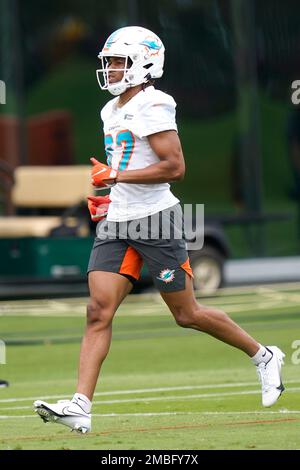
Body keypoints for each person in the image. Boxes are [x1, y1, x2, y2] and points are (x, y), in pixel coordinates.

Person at [34, 26, 285, 434]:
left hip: (156, 220)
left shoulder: (155, 104)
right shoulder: (110, 109)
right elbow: (124, 171)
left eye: (118, 61)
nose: (111, 69)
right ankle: (81, 405)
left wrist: (115, 177)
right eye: (109, 62)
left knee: (186, 314)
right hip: (117, 221)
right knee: (98, 310)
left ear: (144, 63)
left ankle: (263, 355)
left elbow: (175, 168)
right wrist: (111, 196)